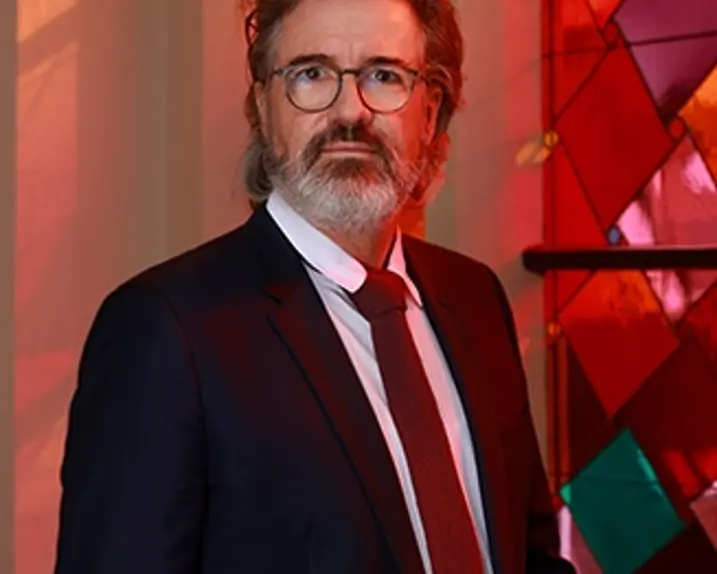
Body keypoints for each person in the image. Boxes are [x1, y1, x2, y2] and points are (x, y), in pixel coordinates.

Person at [54, 0, 576, 572]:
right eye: (311, 73)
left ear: (429, 113)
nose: (349, 111)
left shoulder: (474, 298)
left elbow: (532, 558)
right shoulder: (165, 331)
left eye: (383, 76)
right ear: (263, 107)